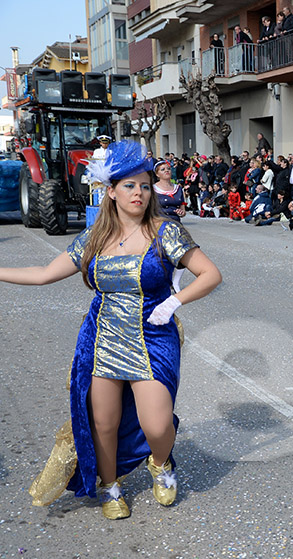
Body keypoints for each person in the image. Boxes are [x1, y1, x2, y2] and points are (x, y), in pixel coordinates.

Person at [7, 141, 222, 519]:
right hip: (103, 339)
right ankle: (110, 485)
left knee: (156, 425)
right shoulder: (93, 238)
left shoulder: (165, 231)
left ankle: (160, 463)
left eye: (144, 185)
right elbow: (43, 275)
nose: (138, 193)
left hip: (154, 337)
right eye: (129, 186)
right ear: (111, 191)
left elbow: (210, 274)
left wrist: (174, 302)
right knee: (103, 423)